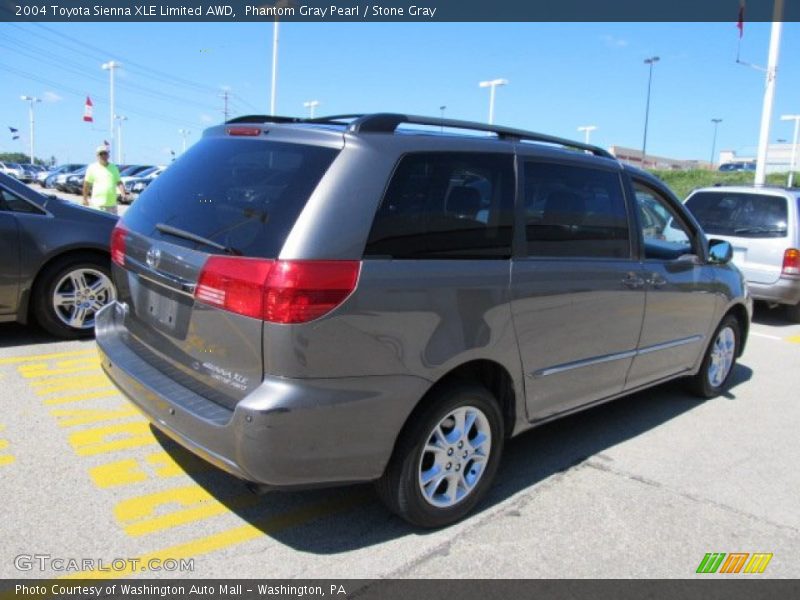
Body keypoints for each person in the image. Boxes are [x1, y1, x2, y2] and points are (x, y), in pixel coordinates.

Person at [82, 146, 127, 214]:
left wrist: (123, 194)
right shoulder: (92, 167)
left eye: (105, 153)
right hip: (98, 205)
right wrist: (85, 199)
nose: (103, 156)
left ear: (108, 155)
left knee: (112, 224)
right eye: (101, 154)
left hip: (112, 205)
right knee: (99, 224)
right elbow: (86, 184)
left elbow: (119, 182)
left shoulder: (114, 167)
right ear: (97, 156)